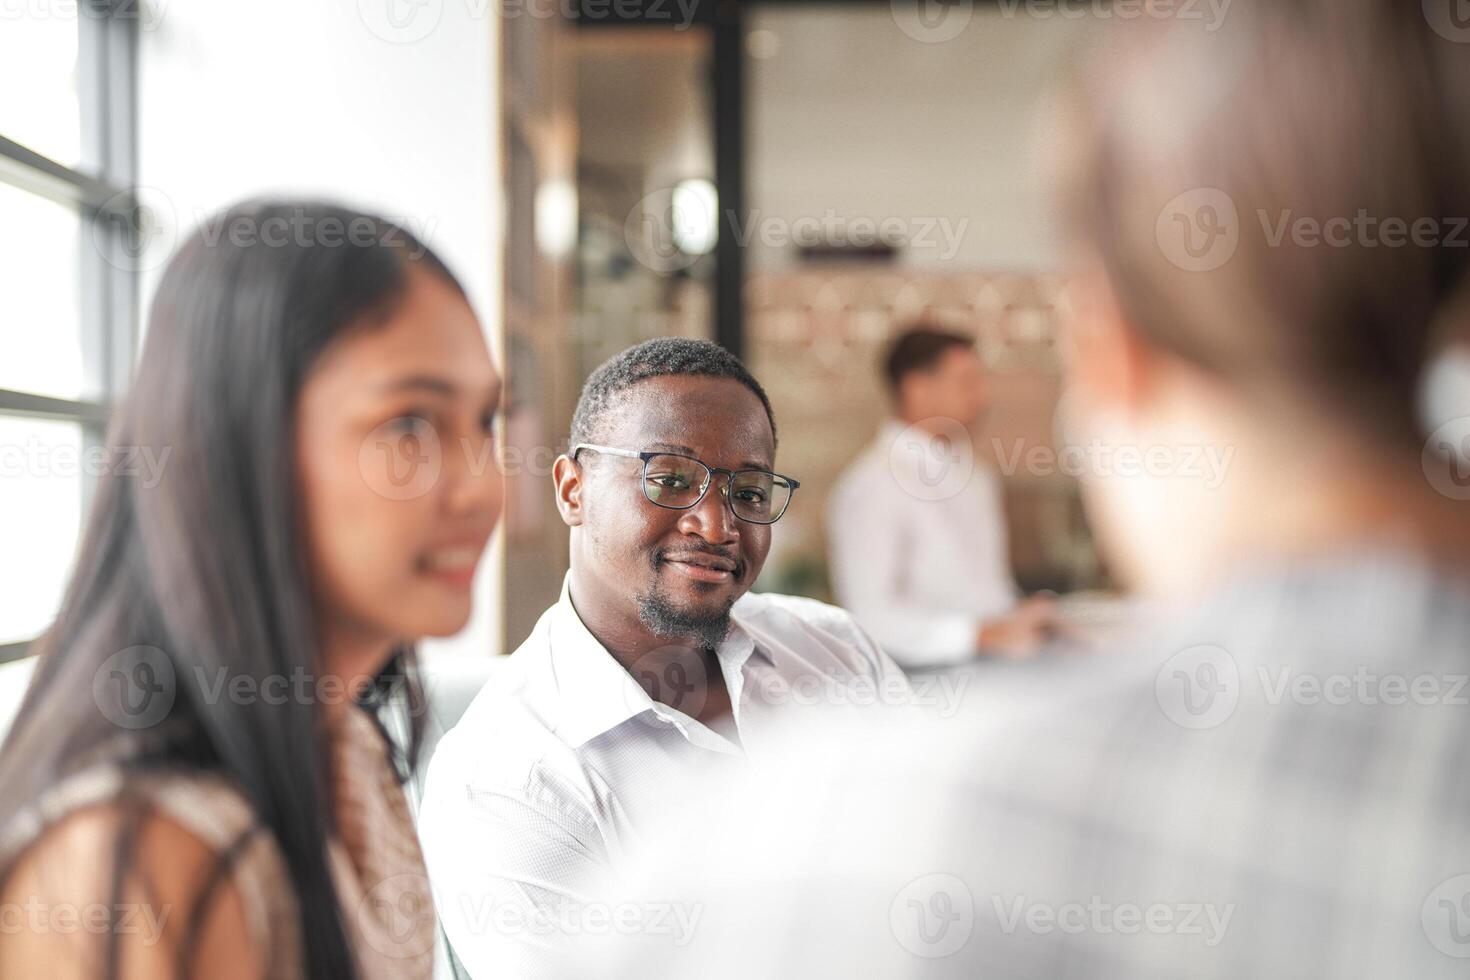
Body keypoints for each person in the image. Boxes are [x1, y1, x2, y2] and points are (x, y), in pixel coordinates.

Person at [594, 2, 1470, 977]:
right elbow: (883, 614)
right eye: (965, 375)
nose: (985, 389)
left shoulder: (801, 861)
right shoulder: (875, 497)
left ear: (1109, 349)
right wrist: (990, 637)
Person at [0, 200, 503, 979]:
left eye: (485, 423)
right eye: (410, 425)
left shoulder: (351, 746)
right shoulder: (142, 856)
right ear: (241, 442)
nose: (483, 487)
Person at [417, 337, 909, 978]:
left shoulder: (837, 651)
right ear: (573, 489)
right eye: (671, 480)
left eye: (750, 493)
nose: (717, 525)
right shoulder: (509, 782)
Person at [829, 326, 1058, 667]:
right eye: (966, 383)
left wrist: (1025, 617)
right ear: (917, 388)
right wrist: (978, 636)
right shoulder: (872, 484)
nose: (981, 397)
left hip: (1004, 668)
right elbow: (870, 617)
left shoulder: (978, 476)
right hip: (929, 686)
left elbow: (988, 593)